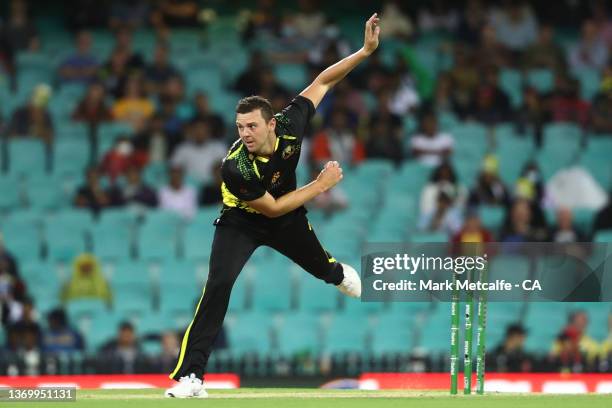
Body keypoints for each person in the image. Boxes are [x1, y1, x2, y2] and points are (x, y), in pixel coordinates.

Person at [164, 13, 380, 398]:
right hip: (242, 221)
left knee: (325, 271)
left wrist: (364, 51)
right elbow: (273, 208)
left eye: (251, 126)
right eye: (239, 127)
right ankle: (191, 378)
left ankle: (337, 272)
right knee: (218, 285)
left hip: (287, 218)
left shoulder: (291, 122)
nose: (244, 133)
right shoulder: (236, 167)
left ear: (271, 125)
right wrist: (320, 185)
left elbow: (324, 80)